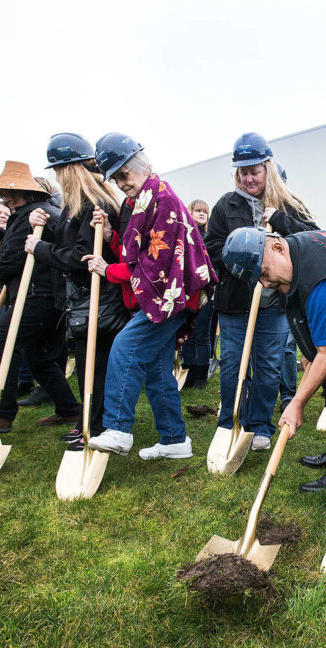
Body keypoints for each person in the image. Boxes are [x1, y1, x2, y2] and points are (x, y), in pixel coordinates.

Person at [222, 226, 326, 491]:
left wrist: (297, 403)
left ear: (277, 248)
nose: (265, 284)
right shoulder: (294, 251)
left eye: (265, 273)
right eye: (259, 279)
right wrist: (308, 353)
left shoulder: (321, 277)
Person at [85, 133, 215, 459]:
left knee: (125, 348)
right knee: (158, 371)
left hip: (169, 297)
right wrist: (111, 235)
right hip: (169, 296)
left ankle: (117, 429)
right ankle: (174, 441)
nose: (120, 184)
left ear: (139, 166)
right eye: (115, 179)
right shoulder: (143, 200)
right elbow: (135, 253)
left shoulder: (163, 201)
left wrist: (106, 270)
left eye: (123, 175)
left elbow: (155, 264)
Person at [204, 132, 317, 452]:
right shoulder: (226, 206)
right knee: (232, 365)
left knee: (268, 367)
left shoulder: (289, 204)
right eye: (242, 171)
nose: (248, 177)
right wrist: (241, 251)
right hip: (235, 302)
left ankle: (260, 424)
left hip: (275, 304)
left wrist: (279, 220)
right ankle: (230, 421)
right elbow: (210, 248)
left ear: (267, 168)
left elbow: (311, 240)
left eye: (254, 170)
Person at [0, 161, 81, 433]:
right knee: (37, 356)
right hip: (48, 298)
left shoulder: (34, 214)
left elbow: (14, 256)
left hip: (38, 296)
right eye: (2, 194)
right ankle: (70, 409)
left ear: (27, 192)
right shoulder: (33, 213)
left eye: (10, 194)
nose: (5, 199)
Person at [23, 133, 129, 448]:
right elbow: (67, 239)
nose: (56, 177)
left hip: (102, 298)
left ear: (70, 170)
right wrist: (45, 221)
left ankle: (97, 427)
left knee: (95, 367)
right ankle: (89, 423)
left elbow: (82, 256)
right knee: (86, 365)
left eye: (58, 171)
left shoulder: (96, 202)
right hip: (84, 300)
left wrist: (40, 249)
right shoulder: (75, 205)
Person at [179, 199, 214, 389]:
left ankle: (201, 374)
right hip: (188, 292)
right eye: (198, 210)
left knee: (202, 333)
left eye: (205, 211)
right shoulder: (185, 235)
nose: (202, 214)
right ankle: (187, 372)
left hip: (205, 293)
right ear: (190, 212)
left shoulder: (210, 236)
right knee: (188, 333)